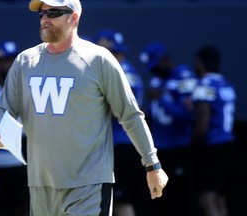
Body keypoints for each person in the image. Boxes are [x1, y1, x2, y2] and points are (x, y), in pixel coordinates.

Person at [0, 0, 169, 215]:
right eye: (42, 13)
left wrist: (152, 165)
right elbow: (3, 109)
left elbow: (131, 116)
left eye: (53, 12)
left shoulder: (98, 59)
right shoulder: (25, 61)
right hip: (40, 185)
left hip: (89, 184)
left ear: (74, 17)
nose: (45, 19)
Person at [93, 29, 151, 216]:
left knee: (120, 202)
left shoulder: (116, 72)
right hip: (126, 143)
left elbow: (115, 111)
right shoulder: (129, 70)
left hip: (120, 144)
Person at [139, 41, 197, 216]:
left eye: (156, 66)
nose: (154, 71)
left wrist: (161, 98)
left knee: (181, 199)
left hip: (179, 146)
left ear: (165, 60)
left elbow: (185, 116)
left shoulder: (184, 77)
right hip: (160, 149)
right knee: (161, 200)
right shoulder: (156, 80)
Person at [0, 41, 29, 216]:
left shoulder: (24, 88)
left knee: (21, 209)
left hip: (17, 162)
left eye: (12, 60)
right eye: (4, 61)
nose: (9, 65)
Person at [190, 44, 236, 216]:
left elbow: (203, 120)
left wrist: (193, 142)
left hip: (212, 147)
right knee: (219, 198)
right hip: (228, 144)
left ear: (199, 62)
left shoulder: (204, 85)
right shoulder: (227, 84)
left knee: (207, 198)